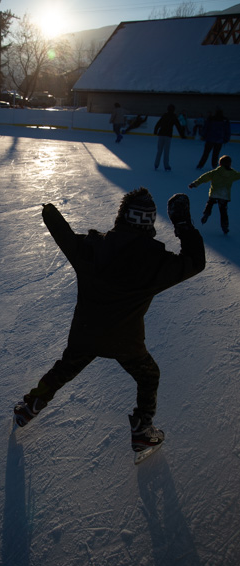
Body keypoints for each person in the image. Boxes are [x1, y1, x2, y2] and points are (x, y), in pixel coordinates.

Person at [14, 188, 205, 457]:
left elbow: (65, 238)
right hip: (127, 342)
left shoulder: (93, 248)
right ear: (149, 223)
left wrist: (50, 213)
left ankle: (31, 405)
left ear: (121, 217)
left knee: (63, 370)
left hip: (85, 334)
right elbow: (195, 262)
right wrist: (183, 225)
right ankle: (142, 430)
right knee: (149, 377)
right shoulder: (158, 263)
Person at [189, 155, 240, 234]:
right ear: (230, 164)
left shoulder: (215, 172)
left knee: (210, 203)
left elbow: (204, 177)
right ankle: (225, 226)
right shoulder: (233, 174)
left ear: (220, 164)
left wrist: (195, 184)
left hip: (214, 193)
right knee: (223, 211)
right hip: (224, 195)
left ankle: (206, 214)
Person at [153, 104, 185, 171]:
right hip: (168, 135)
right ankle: (166, 166)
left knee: (159, 150)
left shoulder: (164, 115)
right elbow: (178, 126)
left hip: (161, 134)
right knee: (166, 151)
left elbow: (158, 123)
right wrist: (182, 135)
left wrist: (155, 131)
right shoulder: (174, 117)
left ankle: (156, 164)